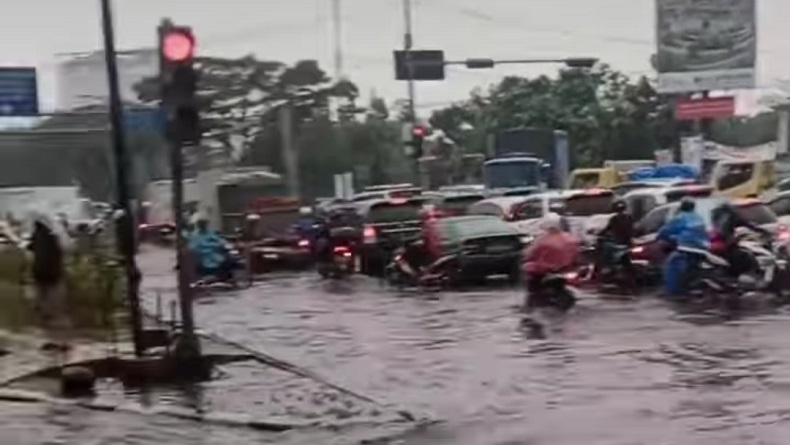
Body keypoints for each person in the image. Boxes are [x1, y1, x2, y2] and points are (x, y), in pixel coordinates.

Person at [28, 212, 70, 351]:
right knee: (56, 310)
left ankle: (53, 340)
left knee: (46, 310)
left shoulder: (38, 233)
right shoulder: (55, 234)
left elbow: (30, 248)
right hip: (53, 274)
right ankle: (60, 341)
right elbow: (66, 248)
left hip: (41, 274)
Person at [522, 213, 580, 311]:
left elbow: (531, 253)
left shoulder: (543, 240)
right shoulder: (570, 239)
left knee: (533, 286)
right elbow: (577, 254)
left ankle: (532, 304)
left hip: (546, 270)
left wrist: (527, 258)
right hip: (565, 269)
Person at [656, 198, 709, 296]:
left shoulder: (680, 218)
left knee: (671, 265)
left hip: (687, 248)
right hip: (702, 248)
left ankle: (673, 291)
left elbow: (665, 230)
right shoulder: (698, 217)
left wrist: (660, 236)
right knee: (692, 267)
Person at [711, 201, 770, 277]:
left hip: (714, 243)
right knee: (744, 255)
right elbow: (745, 224)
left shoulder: (716, 218)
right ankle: (740, 274)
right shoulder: (730, 217)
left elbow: (746, 224)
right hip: (723, 244)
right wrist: (760, 230)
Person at [187, 215, 239, 281]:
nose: (204, 225)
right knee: (224, 261)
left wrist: (225, 244)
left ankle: (226, 277)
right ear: (198, 225)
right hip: (206, 256)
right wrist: (212, 246)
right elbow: (193, 248)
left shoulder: (210, 233)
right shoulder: (195, 236)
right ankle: (221, 276)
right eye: (202, 224)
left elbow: (219, 239)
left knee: (231, 259)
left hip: (216, 253)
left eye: (205, 224)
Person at [596, 200, 635, 286]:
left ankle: (607, 268)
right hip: (626, 243)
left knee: (606, 251)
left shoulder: (615, 219)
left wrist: (600, 234)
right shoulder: (628, 218)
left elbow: (607, 229)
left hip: (620, 243)